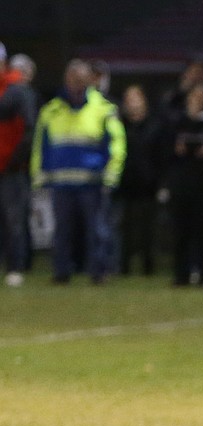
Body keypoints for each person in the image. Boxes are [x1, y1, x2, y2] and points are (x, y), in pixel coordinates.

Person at [30, 58, 126, 285]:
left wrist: (111, 175)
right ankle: (62, 271)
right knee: (62, 231)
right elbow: (40, 146)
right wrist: (39, 176)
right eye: (72, 77)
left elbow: (117, 145)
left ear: (89, 80)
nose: (75, 82)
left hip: (93, 182)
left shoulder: (103, 109)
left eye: (80, 78)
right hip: (61, 182)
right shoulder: (51, 111)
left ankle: (98, 271)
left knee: (97, 231)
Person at [165, 83, 203, 287]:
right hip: (181, 185)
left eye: (201, 98)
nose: (196, 102)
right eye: (193, 98)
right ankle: (181, 274)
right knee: (181, 232)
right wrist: (177, 149)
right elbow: (161, 150)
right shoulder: (177, 123)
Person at [116, 84, 166, 276]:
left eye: (136, 99)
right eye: (129, 100)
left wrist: (160, 181)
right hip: (126, 182)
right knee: (125, 227)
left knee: (148, 228)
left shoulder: (154, 125)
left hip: (148, 183)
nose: (133, 104)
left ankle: (148, 266)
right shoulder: (120, 125)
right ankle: (124, 266)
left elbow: (160, 155)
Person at [0, 41, 38, 287]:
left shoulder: (17, 90)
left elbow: (28, 129)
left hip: (10, 168)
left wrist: (16, 160)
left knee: (13, 219)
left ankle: (15, 266)